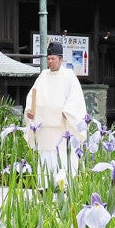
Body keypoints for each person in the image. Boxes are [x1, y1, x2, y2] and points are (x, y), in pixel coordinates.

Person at [24, 41, 86, 181]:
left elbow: (75, 100)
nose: (50, 62)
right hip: (44, 130)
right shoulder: (43, 76)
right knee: (45, 165)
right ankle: (45, 190)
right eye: (48, 59)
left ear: (61, 59)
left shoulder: (69, 76)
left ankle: (64, 190)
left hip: (62, 130)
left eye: (53, 59)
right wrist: (30, 110)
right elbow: (32, 96)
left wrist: (66, 112)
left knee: (62, 163)